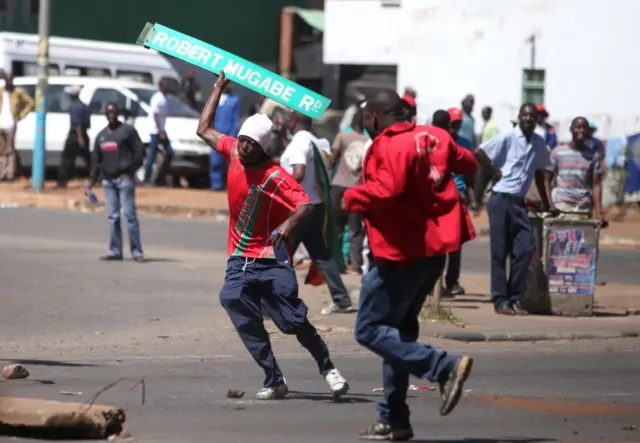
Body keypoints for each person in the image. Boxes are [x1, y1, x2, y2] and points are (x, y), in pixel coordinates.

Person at [195, 71, 349, 400]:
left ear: (263, 147)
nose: (243, 146)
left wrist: (288, 226)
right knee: (231, 298)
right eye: (242, 140)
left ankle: (328, 368)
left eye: (250, 143)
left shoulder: (274, 175)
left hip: (271, 255)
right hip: (240, 257)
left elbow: (304, 203)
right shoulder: (234, 152)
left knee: (291, 321)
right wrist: (218, 89)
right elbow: (203, 129)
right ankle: (273, 377)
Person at [343, 90, 476, 440]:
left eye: (366, 119)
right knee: (397, 336)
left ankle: (443, 367)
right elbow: (469, 163)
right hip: (434, 255)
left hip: (401, 255)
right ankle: (394, 419)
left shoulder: (387, 146)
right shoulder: (437, 136)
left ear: (372, 118)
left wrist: (349, 197)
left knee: (369, 329)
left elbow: (387, 190)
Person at [475, 103, 553, 316]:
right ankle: (501, 300)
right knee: (499, 252)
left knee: (525, 250)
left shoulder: (538, 143)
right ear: (519, 117)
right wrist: (493, 171)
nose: (528, 119)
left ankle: (514, 297)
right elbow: (479, 152)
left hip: (519, 202)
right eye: (525, 115)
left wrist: (547, 202)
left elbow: (539, 171)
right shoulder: (508, 137)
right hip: (500, 199)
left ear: (537, 120)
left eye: (532, 116)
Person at [280, 111, 353, 314]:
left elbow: (299, 172)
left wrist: (279, 189)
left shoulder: (299, 144)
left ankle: (276, 302)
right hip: (317, 204)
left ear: (293, 122)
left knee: (281, 254)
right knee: (320, 254)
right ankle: (342, 299)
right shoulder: (318, 143)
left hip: (298, 207)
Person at [88, 103, 145, 262]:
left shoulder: (127, 131)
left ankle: (136, 251)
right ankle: (114, 250)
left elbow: (139, 151)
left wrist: (130, 170)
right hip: (108, 182)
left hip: (124, 180)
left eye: (114, 112)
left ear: (118, 113)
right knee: (112, 216)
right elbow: (95, 160)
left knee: (129, 215)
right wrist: (92, 181)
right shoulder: (101, 136)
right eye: (108, 112)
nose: (111, 115)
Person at [431, 109, 477, 296]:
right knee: (437, 242)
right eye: (452, 125)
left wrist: (474, 198)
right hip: (439, 195)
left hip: (459, 196)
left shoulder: (464, 144)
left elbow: (470, 174)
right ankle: (434, 285)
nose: (454, 128)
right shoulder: (436, 142)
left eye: (458, 125)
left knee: (456, 243)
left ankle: (452, 282)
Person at [330, 110, 368, 276]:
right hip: (357, 189)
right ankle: (355, 265)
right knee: (355, 230)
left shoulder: (342, 136)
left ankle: (337, 265)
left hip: (338, 186)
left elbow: (332, 158)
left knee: (337, 228)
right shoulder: (368, 141)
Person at [550, 117, 604, 222]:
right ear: (571, 130)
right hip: (562, 206)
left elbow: (596, 184)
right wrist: (550, 203)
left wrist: (598, 212)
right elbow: (548, 179)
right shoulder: (558, 152)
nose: (581, 130)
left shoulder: (593, 156)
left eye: (585, 128)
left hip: (583, 207)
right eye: (578, 127)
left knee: (583, 238)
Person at [0, 72, 34, 181]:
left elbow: (31, 103)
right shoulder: (1, 91)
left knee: (10, 150)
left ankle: (10, 173)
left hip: (10, 123)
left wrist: (20, 115)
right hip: (1, 124)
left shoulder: (17, 92)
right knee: (2, 150)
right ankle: (2, 173)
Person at [57, 85, 91, 188]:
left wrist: (80, 138)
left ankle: (62, 181)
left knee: (67, 159)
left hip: (75, 135)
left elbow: (77, 124)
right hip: (83, 134)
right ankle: (98, 177)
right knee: (88, 159)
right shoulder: (84, 105)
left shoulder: (75, 106)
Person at [210, 82, 240, 190]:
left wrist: (232, 135)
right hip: (215, 134)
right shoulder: (215, 98)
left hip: (228, 135)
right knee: (215, 161)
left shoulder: (234, 100)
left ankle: (230, 186)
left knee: (229, 162)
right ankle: (216, 184)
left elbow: (235, 120)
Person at [143, 78, 173, 186]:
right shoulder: (157, 98)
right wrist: (160, 131)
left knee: (169, 152)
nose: (168, 88)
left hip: (161, 130)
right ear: (161, 87)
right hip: (156, 130)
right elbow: (155, 115)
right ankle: (146, 179)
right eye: (166, 86)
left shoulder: (164, 98)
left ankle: (161, 178)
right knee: (152, 155)